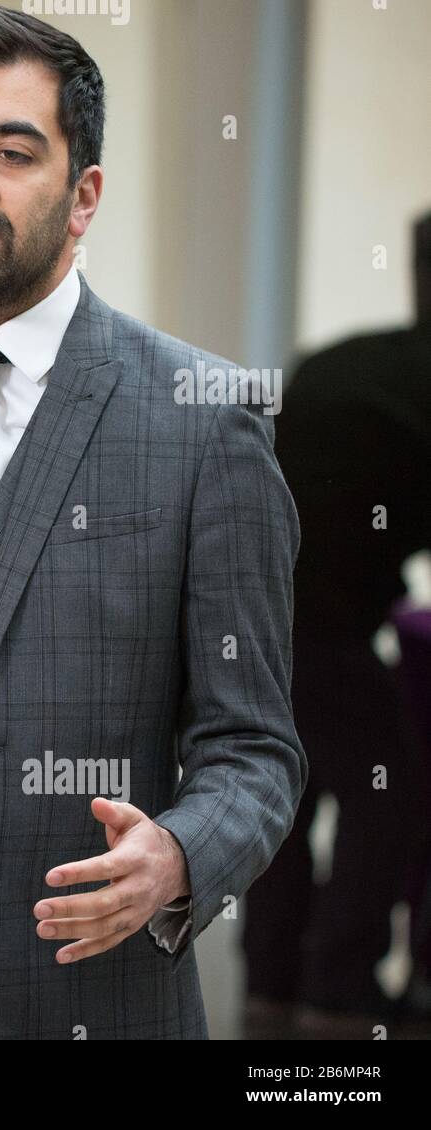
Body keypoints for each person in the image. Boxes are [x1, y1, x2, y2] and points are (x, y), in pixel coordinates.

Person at [0, 4, 305, 1038]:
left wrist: (177, 852)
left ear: (83, 193)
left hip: (82, 1002)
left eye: (12, 150)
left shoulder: (202, 423)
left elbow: (254, 748)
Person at [243, 212, 431, 1037]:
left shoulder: (349, 363)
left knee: (290, 789)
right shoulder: (406, 379)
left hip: (254, 615)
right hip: (320, 622)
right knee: (390, 791)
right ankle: (339, 983)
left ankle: (274, 979)